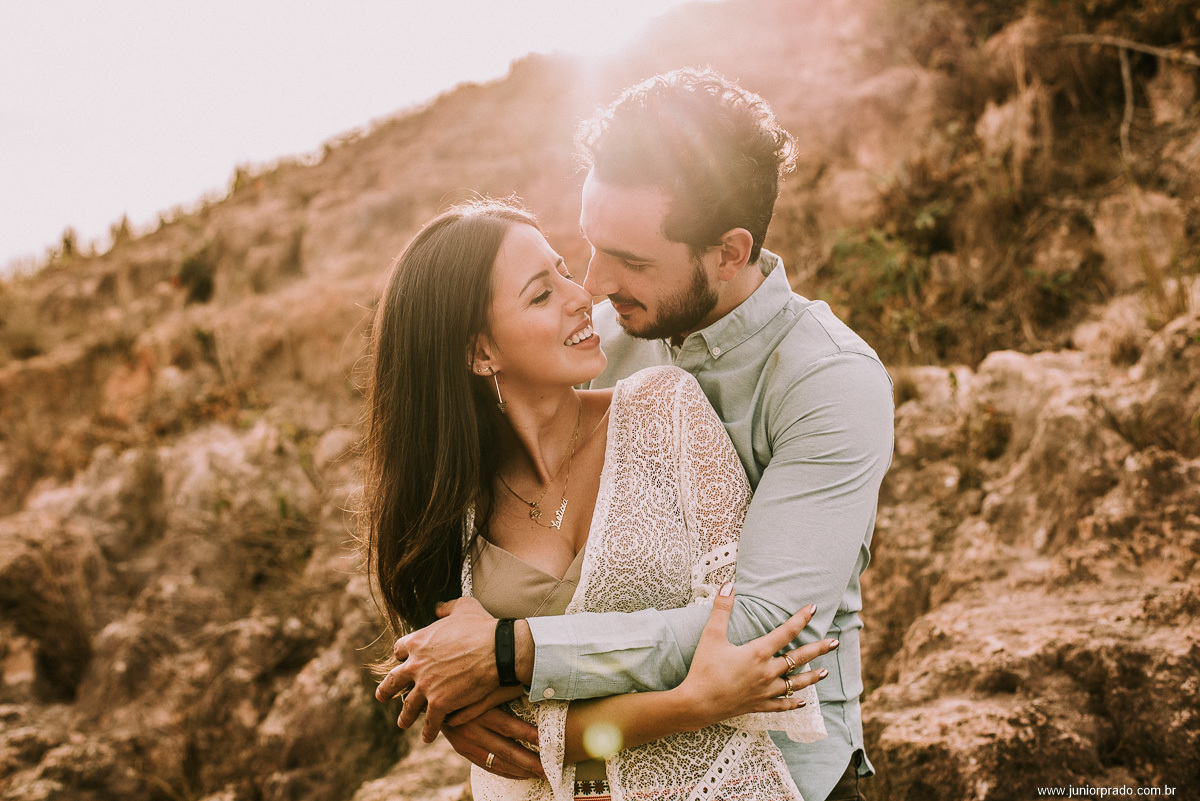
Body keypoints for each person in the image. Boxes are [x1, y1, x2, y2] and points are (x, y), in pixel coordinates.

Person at [375, 69, 894, 801]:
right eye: (590, 243)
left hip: (773, 771)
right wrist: (464, 699)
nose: (593, 282)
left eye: (631, 259)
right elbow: (444, 512)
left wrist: (509, 654)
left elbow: (755, 630)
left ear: (730, 251)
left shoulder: (828, 382)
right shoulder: (592, 337)